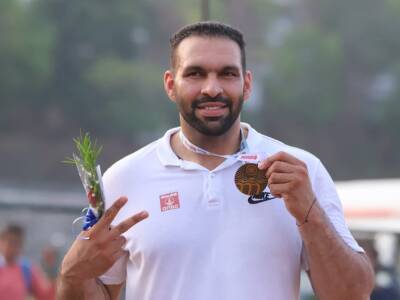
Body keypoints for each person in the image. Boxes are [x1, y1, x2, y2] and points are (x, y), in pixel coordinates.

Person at [57, 21, 374, 300]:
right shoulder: (125, 179)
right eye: (195, 74)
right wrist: (72, 273)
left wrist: (311, 214)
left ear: (246, 84)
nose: (212, 88)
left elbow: (353, 294)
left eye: (227, 74)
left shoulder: (300, 172)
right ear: (171, 84)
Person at [0, 224, 56, 300]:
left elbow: (46, 295)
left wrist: (50, 267)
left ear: (21, 245)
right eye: (9, 241)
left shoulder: (26, 269)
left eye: (15, 243)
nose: (10, 247)